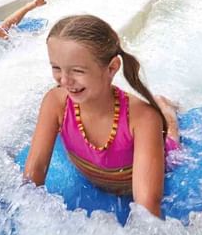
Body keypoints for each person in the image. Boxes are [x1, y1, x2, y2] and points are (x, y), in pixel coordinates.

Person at [23, 14, 181, 218]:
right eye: (56, 68)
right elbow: (34, 172)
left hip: (160, 151)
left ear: (112, 68)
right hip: (101, 171)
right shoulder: (56, 103)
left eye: (77, 71)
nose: (64, 80)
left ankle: (165, 108)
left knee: (169, 129)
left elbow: (147, 205)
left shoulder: (143, 118)